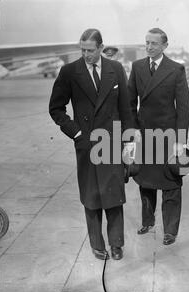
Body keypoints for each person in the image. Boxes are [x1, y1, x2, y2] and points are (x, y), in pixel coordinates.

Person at [49, 29, 134, 261]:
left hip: (112, 142)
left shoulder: (115, 69)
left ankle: (117, 244)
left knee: (114, 194)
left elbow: (126, 108)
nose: (86, 54)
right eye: (82, 50)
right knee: (91, 196)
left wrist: (129, 142)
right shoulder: (69, 72)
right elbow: (55, 108)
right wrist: (76, 133)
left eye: (90, 50)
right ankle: (97, 244)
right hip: (86, 144)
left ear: (100, 48)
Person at [128, 28, 189, 246]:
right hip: (144, 135)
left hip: (168, 137)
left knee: (171, 183)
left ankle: (170, 230)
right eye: (147, 42)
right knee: (145, 182)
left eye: (154, 43)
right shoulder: (137, 67)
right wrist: (133, 129)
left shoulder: (175, 69)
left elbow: (183, 108)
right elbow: (129, 102)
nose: (149, 47)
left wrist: (181, 142)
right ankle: (148, 221)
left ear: (164, 45)